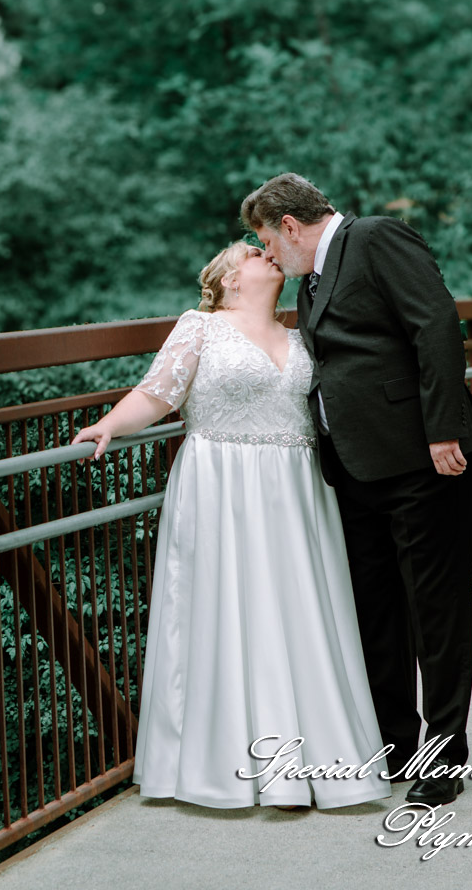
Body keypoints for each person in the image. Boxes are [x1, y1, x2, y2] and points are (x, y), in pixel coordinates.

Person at [71, 241, 391, 811]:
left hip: (298, 491)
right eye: (251, 251)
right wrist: (108, 425)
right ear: (226, 281)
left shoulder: (301, 338)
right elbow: (157, 393)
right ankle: (232, 767)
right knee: (225, 613)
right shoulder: (200, 327)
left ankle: (313, 766)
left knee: (301, 613)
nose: (267, 253)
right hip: (221, 483)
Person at [244, 173, 472, 807]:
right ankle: (396, 747)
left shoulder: (377, 238)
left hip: (422, 459)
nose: (267, 255)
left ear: (290, 226)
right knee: (376, 615)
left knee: (435, 613)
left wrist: (443, 431)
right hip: (354, 469)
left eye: (267, 241)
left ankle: (442, 761)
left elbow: (435, 325)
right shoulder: (313, 278)